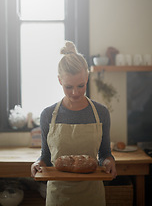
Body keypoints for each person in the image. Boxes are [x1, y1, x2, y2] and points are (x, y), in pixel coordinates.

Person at [31, 41, 117, 206]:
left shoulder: (101, 113)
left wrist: (109, 162)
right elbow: (46, 157)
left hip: (92, 196)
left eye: (81, 85)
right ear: (59, 80)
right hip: (59, 196)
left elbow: (105, 153)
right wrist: (37, 164)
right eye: (68, 86)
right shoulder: (48, 115)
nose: (75, 92)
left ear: (87, 78)